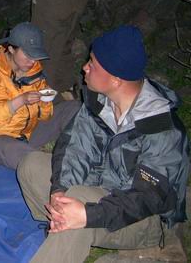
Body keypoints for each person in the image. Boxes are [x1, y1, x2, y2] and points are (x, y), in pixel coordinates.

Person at [17, 26, 189, 263]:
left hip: (141, 219)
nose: (84, 67)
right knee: (31, 165)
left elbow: (149, 198)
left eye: (93, 64)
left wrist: (88, 214)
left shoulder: (162, 128)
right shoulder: (99, 101)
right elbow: (74, 148)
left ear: (116, 79)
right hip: (99, 186)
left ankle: (68, 228)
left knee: (77, 205)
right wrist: (59, 190)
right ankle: (61, 223)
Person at [0, 22, 79, 169]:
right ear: (11, 49)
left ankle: (80, 154)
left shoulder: (34, 71)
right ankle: (56, 172)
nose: (32, 61)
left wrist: (44, 101)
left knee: (74, 108)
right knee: (24, 155)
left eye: (35, 55)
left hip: (25, 134)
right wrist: (20, 101)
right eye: (28, 55)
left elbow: (45, 117)